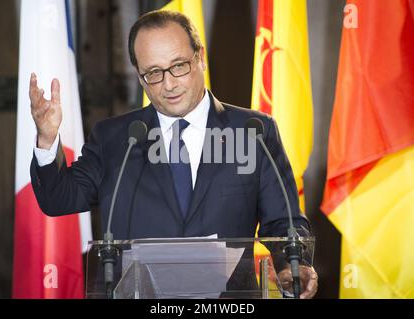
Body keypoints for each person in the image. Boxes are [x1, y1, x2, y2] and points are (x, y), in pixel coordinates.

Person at [29, 10, 318, 298]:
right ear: (141, 77)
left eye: (178, 66)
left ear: (200, 58)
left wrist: (292, 266)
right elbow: (59, 199)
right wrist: (47, 137)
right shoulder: (115, 139)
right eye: (154, 73)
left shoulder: (254, 132)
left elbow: (284, 222)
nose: (169, 84)